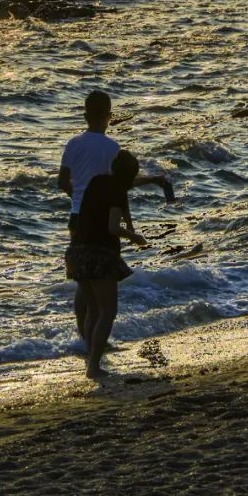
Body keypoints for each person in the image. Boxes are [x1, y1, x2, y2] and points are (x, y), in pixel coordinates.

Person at [58, 91, 173, 343]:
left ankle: (85, 338)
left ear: (85, 115)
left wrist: (81, 200)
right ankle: (95, 344)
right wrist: (153, 180)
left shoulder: (73, 143)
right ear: (109, 116)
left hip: (77, 217)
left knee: (83, 279)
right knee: (100, 281)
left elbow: (62, 182)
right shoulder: (112, 148)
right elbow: (120, 185)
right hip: (103, 219)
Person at [65, 150, 148, 379]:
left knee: (92, 309)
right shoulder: (118, 192)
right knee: (107, 311)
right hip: (99, 254)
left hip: (77, 250)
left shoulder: (96, 181)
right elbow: (112, 227)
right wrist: (134, 237)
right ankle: (93, 366)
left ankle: (90, 361)